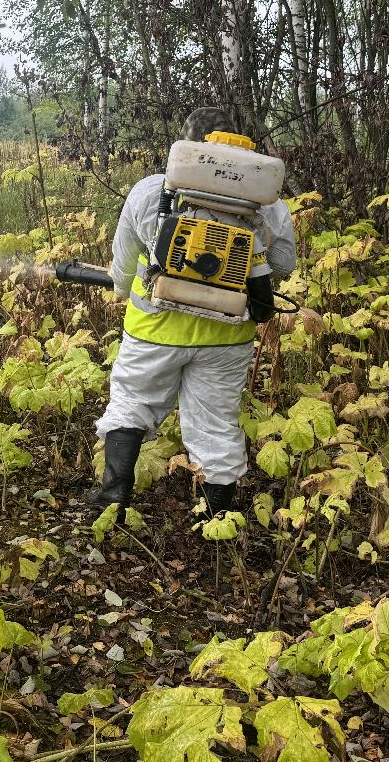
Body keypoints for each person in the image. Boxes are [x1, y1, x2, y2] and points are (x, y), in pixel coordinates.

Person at [88, 107, 297, 517]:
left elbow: (124, 257)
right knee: (216, 424)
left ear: (184, 146)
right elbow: (284, 265)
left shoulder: (150, 191)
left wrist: (118, 288)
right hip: (227, 336)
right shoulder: (267, 204)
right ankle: (215, 518)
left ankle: (113, 496)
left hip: (154, 329)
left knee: (132, 402)